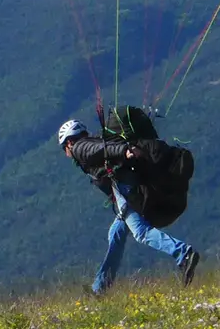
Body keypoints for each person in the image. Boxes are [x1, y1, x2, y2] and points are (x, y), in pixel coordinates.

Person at [58, 119, 200, 295]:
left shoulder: (80, 148)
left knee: (141, 232)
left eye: (64, 147)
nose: (66, 152)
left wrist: (123, 151)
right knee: (116, 233)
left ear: (69, 142)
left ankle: (182, 253)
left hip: (124, 190)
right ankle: (99, 288)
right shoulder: (93, 140)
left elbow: (101, 150)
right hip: (127, 188)